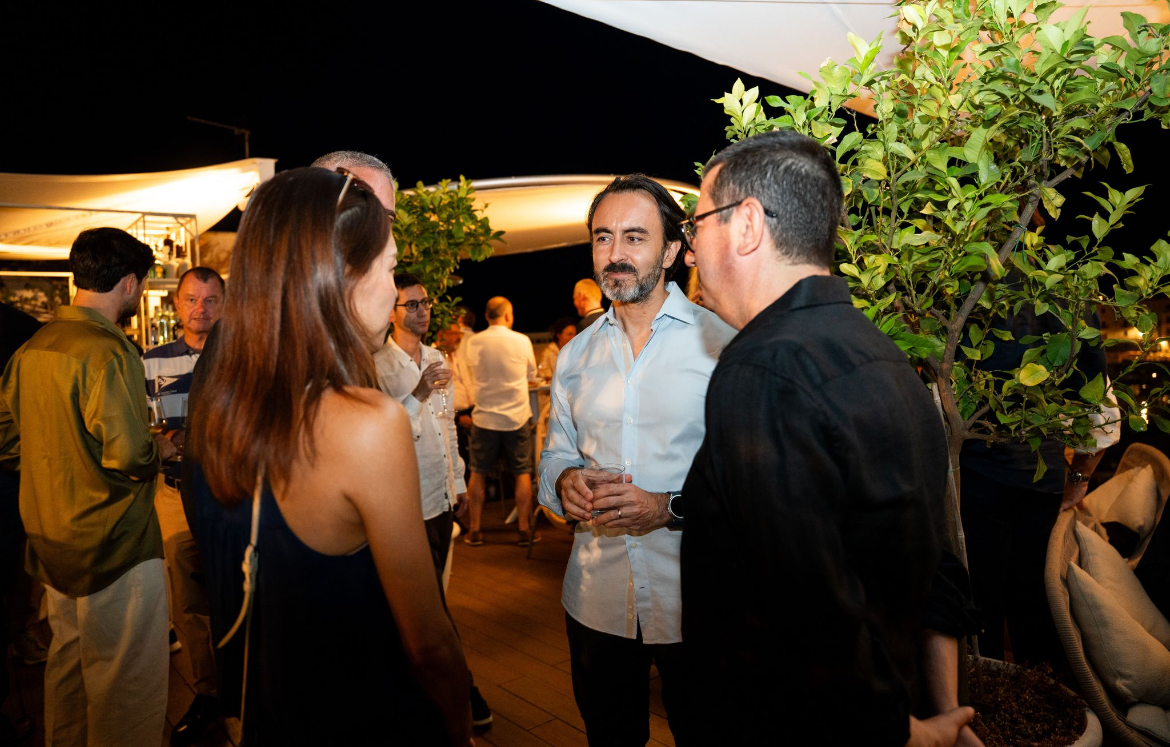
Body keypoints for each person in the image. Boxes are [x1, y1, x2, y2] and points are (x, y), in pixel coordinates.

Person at [680, 131, 977, 746]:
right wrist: (940, 712)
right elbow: (935, 563)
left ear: (746, 225)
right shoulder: (889, 359)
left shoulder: (761, 370)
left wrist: (904, 734)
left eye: (696, 225)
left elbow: (805, 607)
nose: (689, 252)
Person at [188, 167, 471, 746]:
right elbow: (427, 641)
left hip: (278, 709)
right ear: (341, 276)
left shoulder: (226, 401)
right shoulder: (365, 423)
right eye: (389, 269)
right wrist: (460, 724)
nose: (394, 293)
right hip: (363, 716)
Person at [538, 174, 735, 746]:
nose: (615, 254)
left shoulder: (722, 345)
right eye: (603, 238)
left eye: (634, 237)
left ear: (672, 251)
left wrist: (669, 508)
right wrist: (564, 480)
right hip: (596, 601)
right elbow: (554, 454)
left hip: (697, 604)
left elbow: (748, 481)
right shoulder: (574, 356)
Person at [0, 227, 176, 747]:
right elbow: (130, 455)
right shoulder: (108, 351)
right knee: (126, 687)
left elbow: (7, 440)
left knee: (70, 670)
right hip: (113, 542)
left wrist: (62, 459)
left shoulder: (34, 346)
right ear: (130, 283)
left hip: (52, 540)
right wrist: (164, 448)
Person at [373, 272, 493, 728]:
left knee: (434, 601)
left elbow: (445, 426)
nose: (422, 311)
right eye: (412, 305)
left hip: (441, 497)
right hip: (407, 502)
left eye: (424, 303)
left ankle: (427, 693)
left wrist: (458, 481)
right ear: (391, 313)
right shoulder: (378, 365)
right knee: (430, 609)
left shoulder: (438, 356)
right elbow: (381, 436)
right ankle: (462, 690)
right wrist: (418, 392)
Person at [142, 266, 225, 745]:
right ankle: (207, 692)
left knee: (236, 588)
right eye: (192, 299)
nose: (201, 309)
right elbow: (142, 427)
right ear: (176, 304)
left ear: (225, 305)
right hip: (175, 492)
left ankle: (242, 684)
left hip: (231, 494)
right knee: (188, 601)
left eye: (211, 300)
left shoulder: (240, 357)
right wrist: (165, 441)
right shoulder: (151, 361)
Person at [463, 296, 539, 547]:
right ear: (507, 315)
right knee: (522, 472)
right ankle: (524, 529)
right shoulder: (522, 341)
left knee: (478, 472)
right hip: (517, 417)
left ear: (487, 316)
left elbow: (469, 373)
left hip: (484, 417)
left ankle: (474, 529)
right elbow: (531, 374)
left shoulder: (473, 342)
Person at [0, 303, 41, 744]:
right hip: (9, 475)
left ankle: (21, 631)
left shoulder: (20, 328)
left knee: (17, 565)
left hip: (8, 476)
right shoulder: (22, 327)